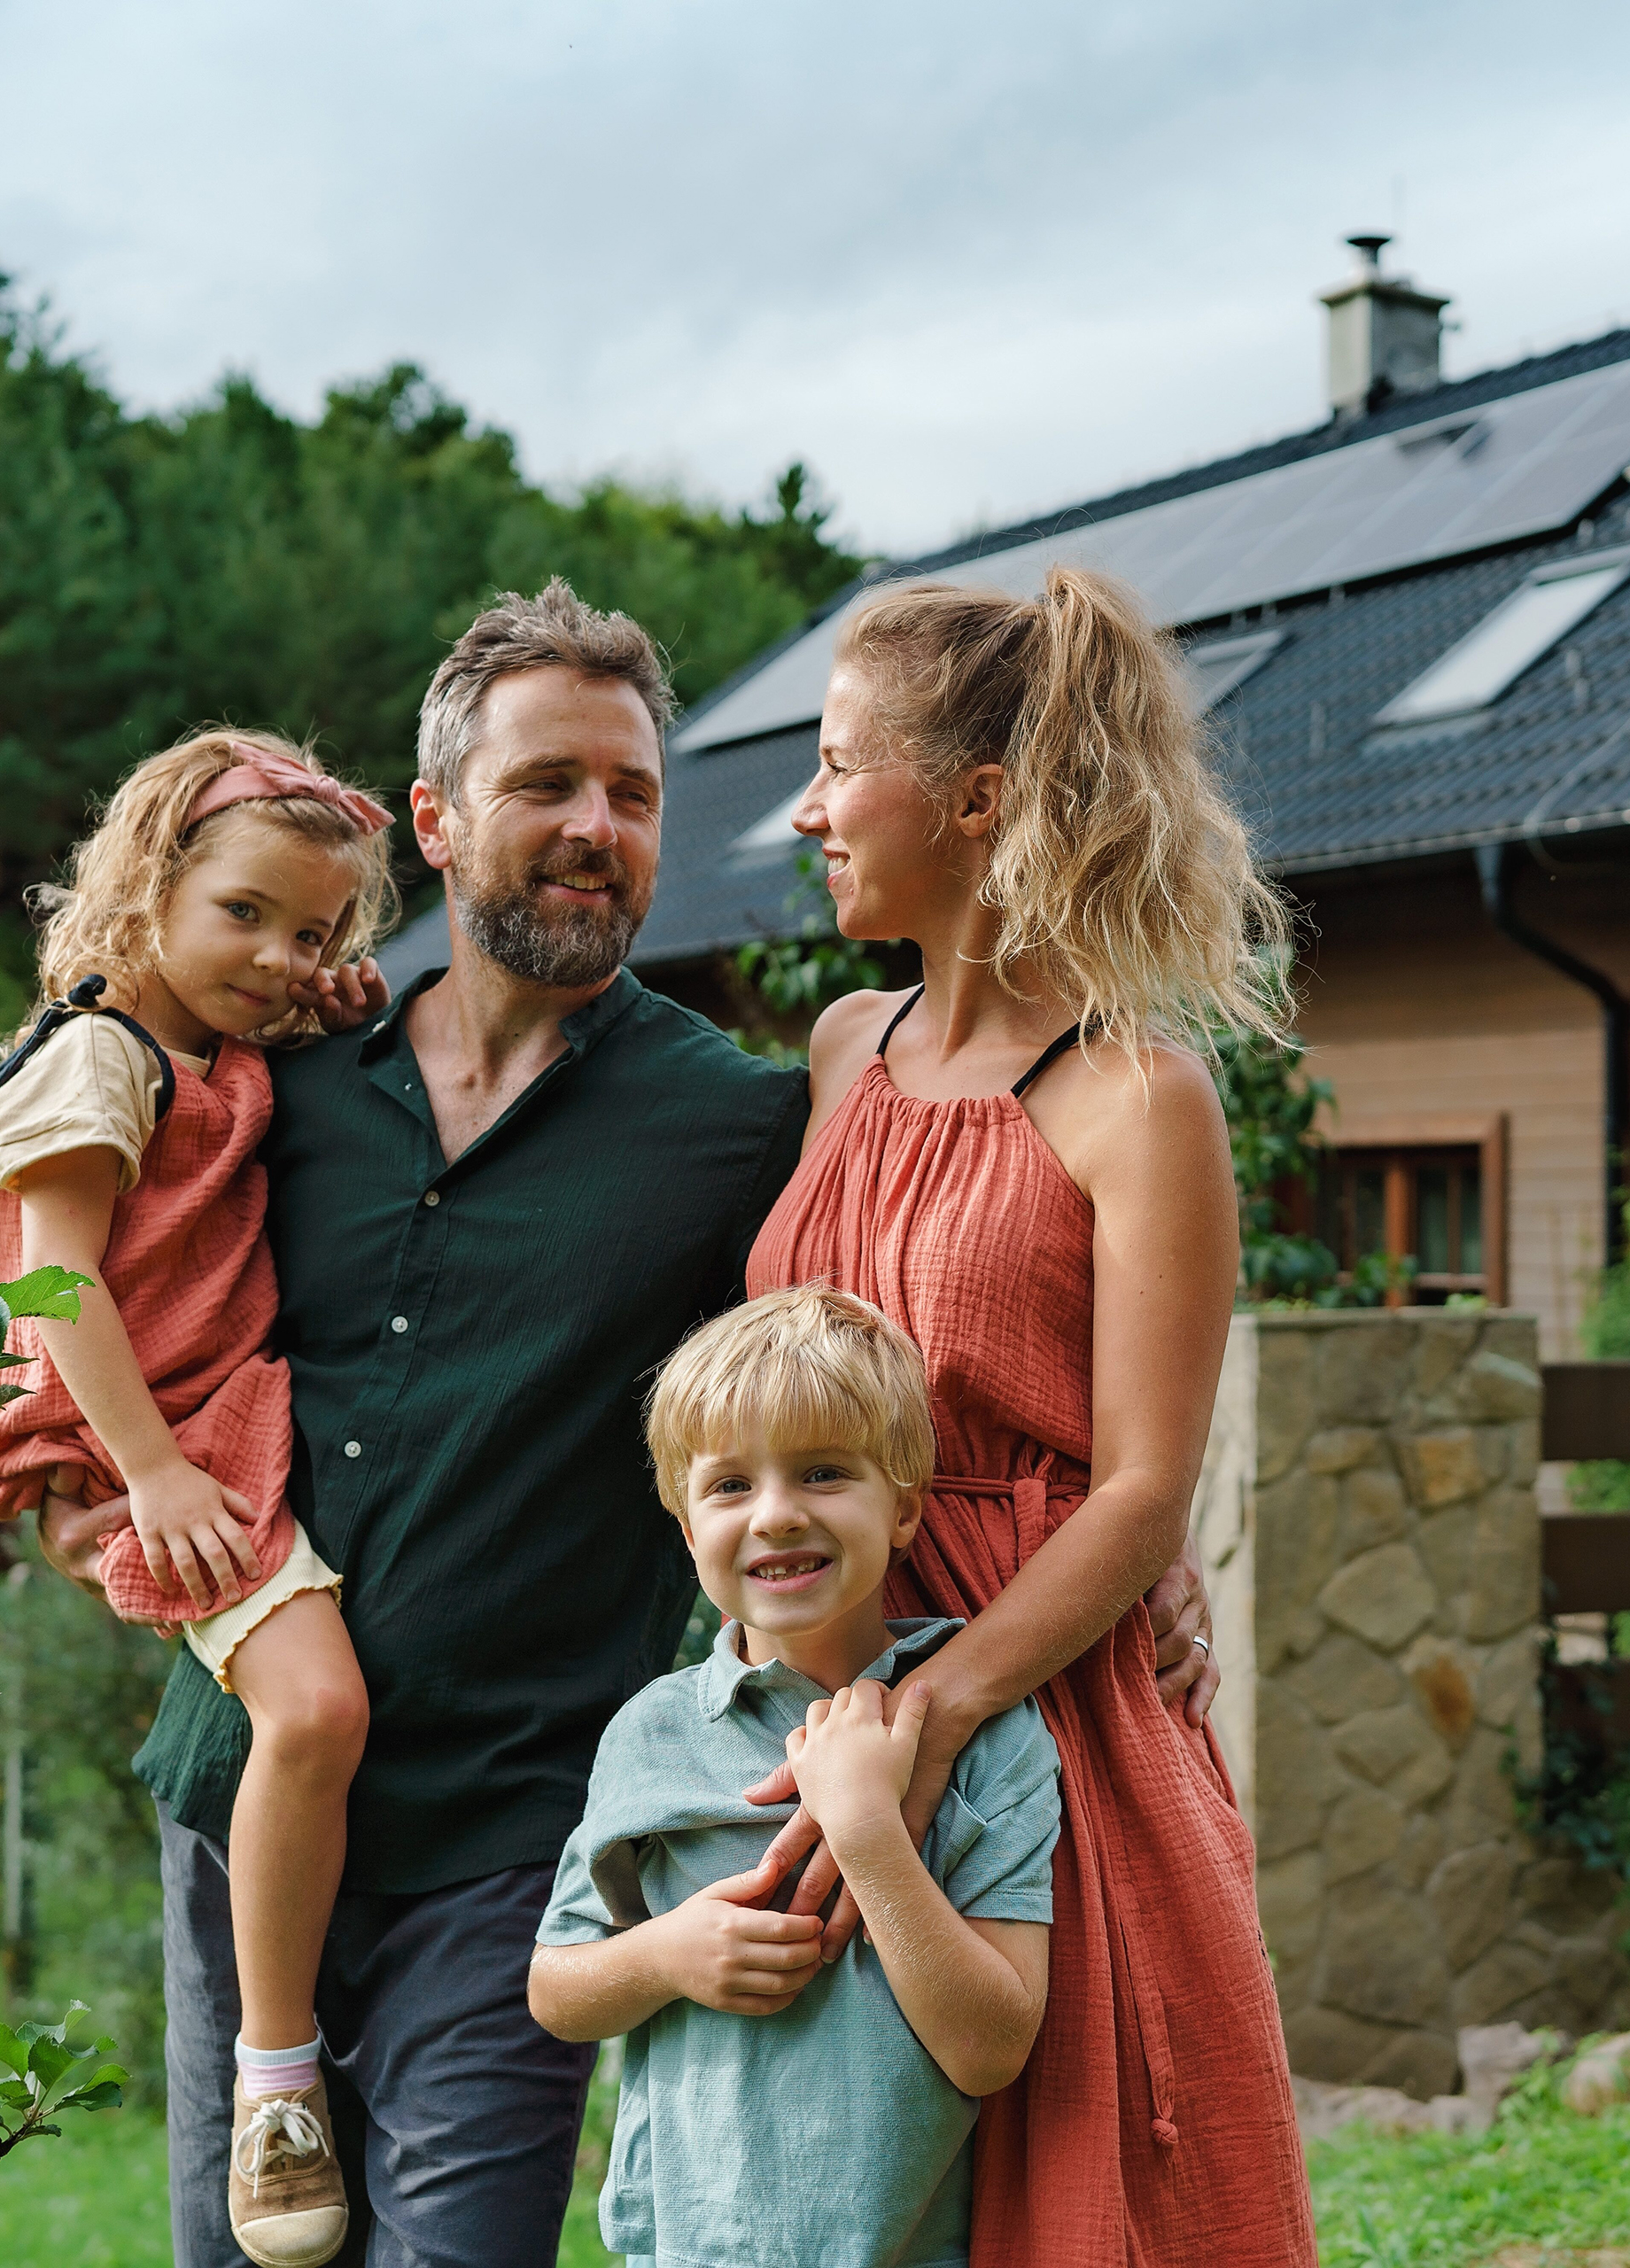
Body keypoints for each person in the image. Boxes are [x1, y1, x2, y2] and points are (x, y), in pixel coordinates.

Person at [34, 580, 1222, 2268]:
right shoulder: (257, 1082)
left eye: (633, 794)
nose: (595, 829)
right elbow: (64, 1270)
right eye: (545, 787)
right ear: (435, 822)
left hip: (519, 1825)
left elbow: (876, 1338)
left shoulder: (739, 1120)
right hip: (242, 1796)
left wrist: (1135, 1528)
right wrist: (67, 1494)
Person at [743, 565, 1315, 2264]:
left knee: (1081, 2198)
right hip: (821, 1687)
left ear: (975, 799)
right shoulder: (847, 1045)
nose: (805, 806)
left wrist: (930, 1717)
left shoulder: (1138, 1096)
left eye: (841, 763)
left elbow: (1143, 1490)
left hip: (1041, 1721)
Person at [0, 730, 398, 2267]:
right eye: (245, 915)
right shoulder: (96, 1057)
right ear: (145, 888)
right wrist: (145, 1472)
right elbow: (54, 1280)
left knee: (312, 1714)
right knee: (315, 1713)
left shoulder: (212, 1043)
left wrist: (327, 1003)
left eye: (316, 933)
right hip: (148, 1427)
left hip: (207, 1413)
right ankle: (278, 2085)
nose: (278, 957)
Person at [529, 1284, 1061, 2268]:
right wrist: (664, 1956)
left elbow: (992, 2049)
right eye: (729, 1486)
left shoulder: (991, 1735)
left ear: (904, 1509)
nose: (775, 1515)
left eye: (822, 1473)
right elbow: (557, 1989)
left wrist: (865, 1828)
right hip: (686, 2246)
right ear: (687, 1528)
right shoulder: (651, 1733)